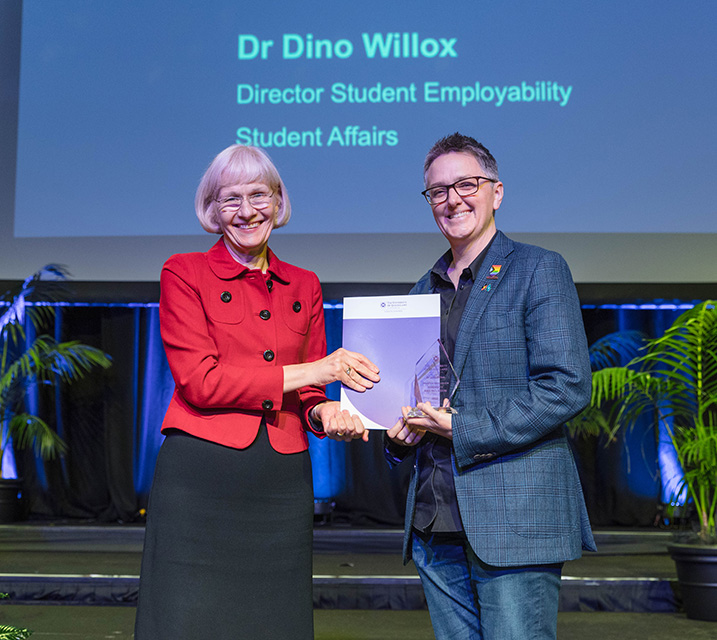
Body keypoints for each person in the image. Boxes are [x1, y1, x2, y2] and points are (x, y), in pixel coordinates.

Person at [134, 144, 379, 640]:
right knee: (187, 620)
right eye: (230, 200)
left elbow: (309, 396)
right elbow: (200, 382)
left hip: (279, 480)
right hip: (201, 475)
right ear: (212, 208)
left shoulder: (304, 284)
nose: (247, 211)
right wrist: (318, 370)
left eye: (258, 195)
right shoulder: (184, 273)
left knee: (274, 621)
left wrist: (328, 413)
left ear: (278, 201)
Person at [385, 132, 596, 639]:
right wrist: (397, 433)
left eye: (467, 184)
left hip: (515, 520)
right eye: (438, 191)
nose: (452, 198)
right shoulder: (419, 292)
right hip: (434, 520)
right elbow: (413, 396)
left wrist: (462, 428)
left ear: (496, 192)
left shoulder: (538, 269)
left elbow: (567, 385)